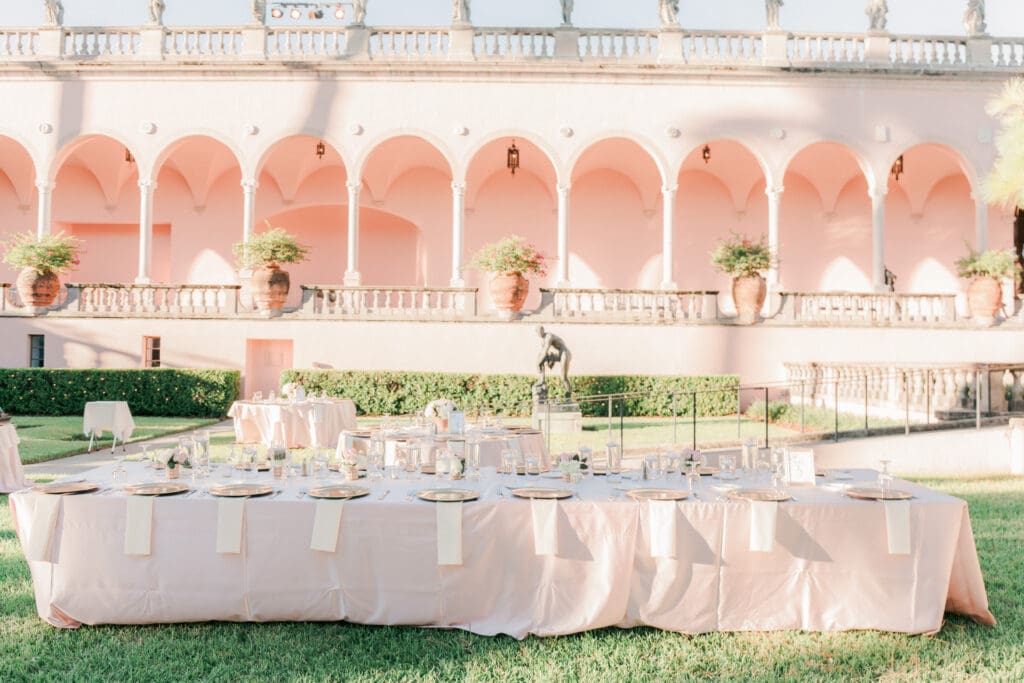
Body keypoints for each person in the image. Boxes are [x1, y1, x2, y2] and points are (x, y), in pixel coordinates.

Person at [536, 326, 572, 398]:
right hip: (559, 354)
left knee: (563, 377)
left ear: (543, 330)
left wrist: (538, 364)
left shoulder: (549, 336)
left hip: (565, 353)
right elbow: (543, 354)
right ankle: (542, 380)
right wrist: (543, 362)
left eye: (540, 331)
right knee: (541, 357)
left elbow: (545, 351)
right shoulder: (543, 341)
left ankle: (569, 394)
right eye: (538, 332)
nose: (539, 334)